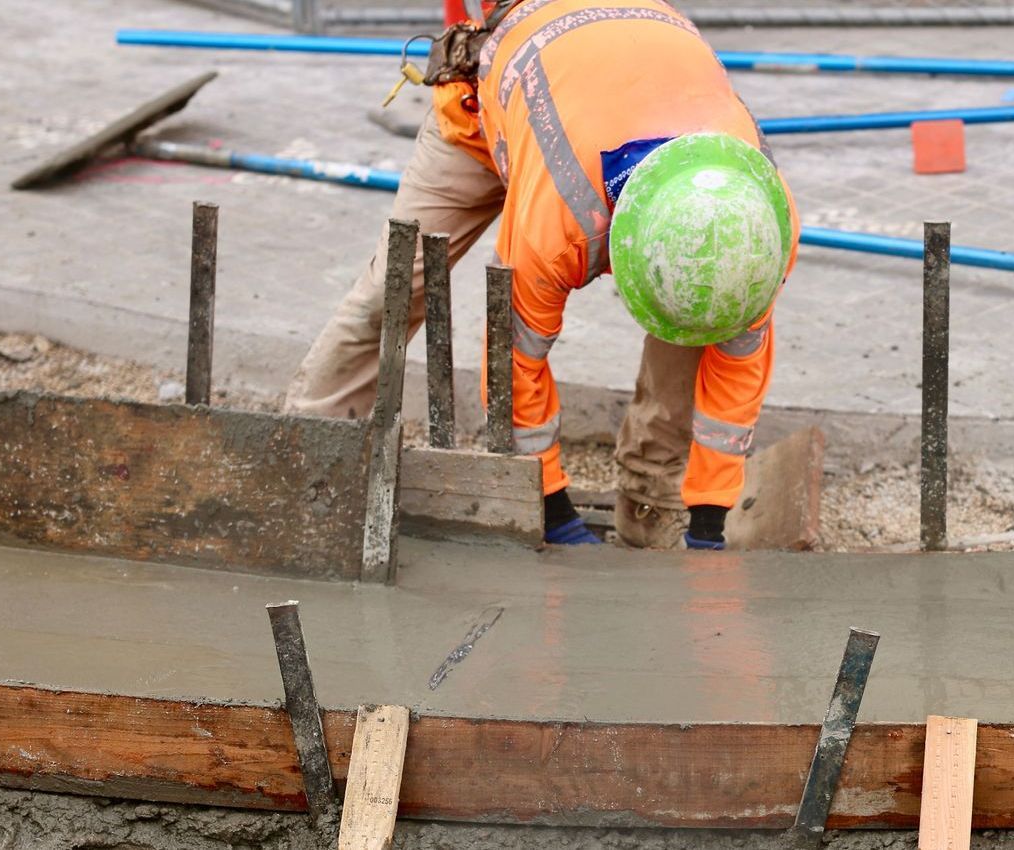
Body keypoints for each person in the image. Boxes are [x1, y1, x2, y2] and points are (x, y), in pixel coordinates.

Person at [283, 0, 799, 550]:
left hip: (606, 95)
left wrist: (709, 522)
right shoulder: (563, 225)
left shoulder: (757, 226)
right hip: (487, 119)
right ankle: (303, 468)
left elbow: (735, 380)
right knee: (394, 289)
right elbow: (513, 355)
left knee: (694, 321)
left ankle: (654, 506)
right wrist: (551, 507)